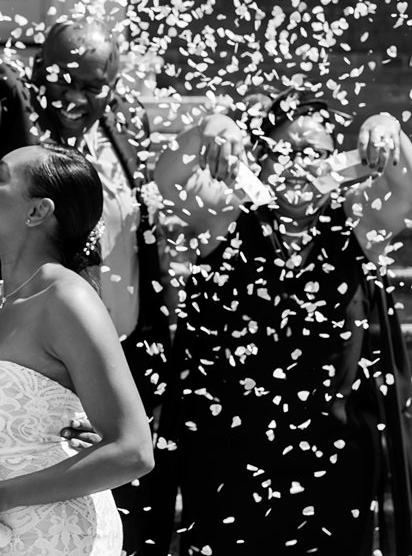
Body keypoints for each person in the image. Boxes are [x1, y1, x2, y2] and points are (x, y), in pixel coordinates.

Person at [0, 0, 171, 553]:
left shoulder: (128, 131)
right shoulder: (10, 111)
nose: (75, 96)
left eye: (92, 85)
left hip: (100, 388)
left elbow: (131, 450)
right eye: (63, 80)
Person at [153, 89, 412, 555]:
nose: (299, 164)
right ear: (261, 158)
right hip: (230, 455)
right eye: (285, 151)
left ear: (341, 163)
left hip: (333, 456)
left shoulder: (358, 220)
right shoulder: (227, 215)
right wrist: (208, 127)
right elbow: (167, 178)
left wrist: (388, 128)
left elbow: (407, 184)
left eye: (316, 154)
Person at [0, 144, 154, 556]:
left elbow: (133, 450)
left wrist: (2, 495)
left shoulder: (67, 300)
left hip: (58, 535)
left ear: (37, 211)